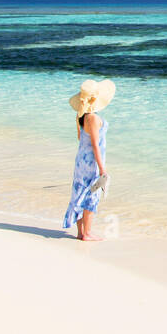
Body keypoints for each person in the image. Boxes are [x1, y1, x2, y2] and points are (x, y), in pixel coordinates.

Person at [63, 79, 115, 241]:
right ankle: (87, 233)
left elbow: (81, 138)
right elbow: (95, 145)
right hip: (91, 162)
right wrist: (102, 169)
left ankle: (81, 232)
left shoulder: (82, 116)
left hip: (82, 160)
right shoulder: (92, 118)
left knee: (80, 192)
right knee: (91, 195)